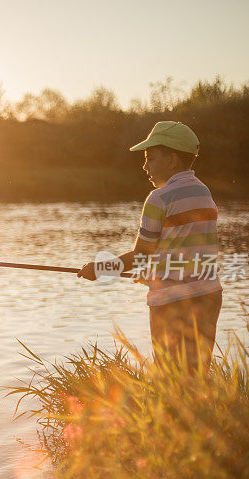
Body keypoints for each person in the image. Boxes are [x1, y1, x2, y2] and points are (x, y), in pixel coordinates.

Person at [77, 121, 223, 373]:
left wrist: (100, 269)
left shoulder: (159, 198)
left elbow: (142, 254)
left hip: (172, 302)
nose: (145, 166)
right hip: (209, 295)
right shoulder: (204, 192)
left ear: (172, 160)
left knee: (170, 376)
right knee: (197, 375)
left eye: (150, 158)